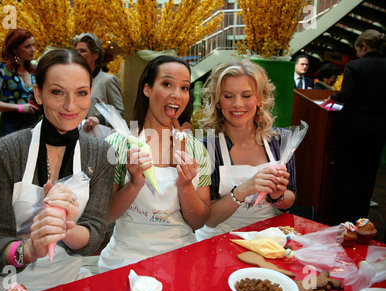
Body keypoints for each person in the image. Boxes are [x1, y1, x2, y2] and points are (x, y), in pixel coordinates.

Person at [0, 48, 116, 291]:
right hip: (2, 289)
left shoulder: (100, 154)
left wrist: (66, 229)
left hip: (67, 286)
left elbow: (95, 233)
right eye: (57, 92)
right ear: (38, 94)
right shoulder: (5, 152)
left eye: (81, 93)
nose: (71, 105)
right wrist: (30, 249)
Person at [98, 55, 211, 272]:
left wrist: (186, 185)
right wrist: (133, 185)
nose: (177, 94)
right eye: (167, 84)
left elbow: (199, 222)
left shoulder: (197, 150)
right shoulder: (118, 144)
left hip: (181, 258)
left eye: (184, 88)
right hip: (124, 259)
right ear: (147, 89)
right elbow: (104, 216)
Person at [195, 60, 297, 241]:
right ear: (218, 101)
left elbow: (290, 199)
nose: (237, 104)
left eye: (246, 95)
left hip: (266, 238)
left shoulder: (280, 141)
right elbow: (208, 219)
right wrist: (242, 191)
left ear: (260, 99)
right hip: (217, 239)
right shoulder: (206, 148)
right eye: (228, 96)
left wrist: (278, 195)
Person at [329, 29, 386, 225]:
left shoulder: (355, 66)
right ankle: (363, 221)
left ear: (363, 46)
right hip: (378, 128)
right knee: (369, 175)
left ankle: (344, 221)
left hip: (352, 127)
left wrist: (333, 96)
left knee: (348, 174)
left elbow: (346, 95)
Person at [0, 28, 41, 138]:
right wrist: (18, 107)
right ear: (14, 49)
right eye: (27, 46)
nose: (33, 49)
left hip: (35, 124)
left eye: (33, 45)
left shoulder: (34, 69)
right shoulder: (1, 69)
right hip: (12, 124)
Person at [73, 32, 125, 132]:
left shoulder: (108, 80)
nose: (78, 54)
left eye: (83, 51)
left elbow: (119, 111)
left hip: (100, 138)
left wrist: (99, 118)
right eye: (77, 51)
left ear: (95, 55)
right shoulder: (73, 80)